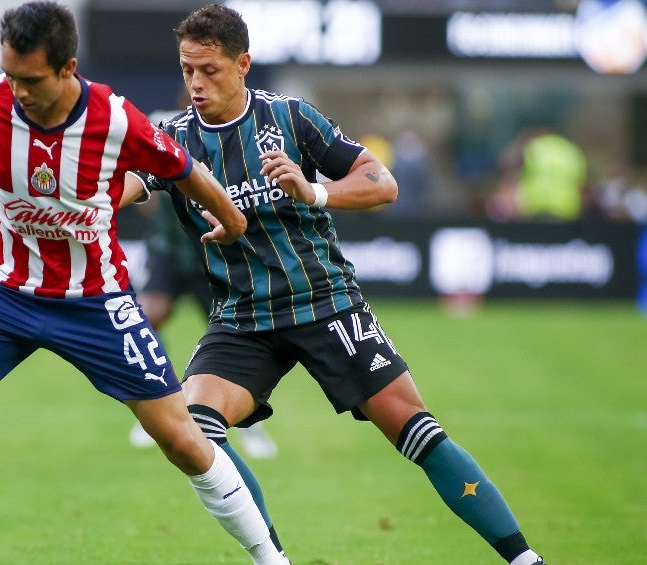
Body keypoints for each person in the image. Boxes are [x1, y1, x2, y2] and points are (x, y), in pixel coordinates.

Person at [0, 3, 287, 564]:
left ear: (68, 68)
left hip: (96, 302)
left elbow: (183, 169)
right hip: (9, 293)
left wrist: (232, 220)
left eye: (31, 79)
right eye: (10, 74)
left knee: (184, 442)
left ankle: (270, 559)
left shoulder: (113, 117)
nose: (17, 90)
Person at [123, 5, 546, 564]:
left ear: (243, 64)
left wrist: (315, 191)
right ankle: (272, 559)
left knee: (417, 432)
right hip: (243, 318)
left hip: (324, 302)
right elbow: (124, 186)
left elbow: (381, 182)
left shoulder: (292, 118)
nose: (196, 84)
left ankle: (525, 559)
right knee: (191, 431)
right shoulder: (172, 139)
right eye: (187, 71)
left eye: (210, 70)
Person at [120, 187, 278, 459]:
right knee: (146, 318)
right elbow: (142, 186)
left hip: (212, 248)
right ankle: (155, 405)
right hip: (167, 246)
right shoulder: (163, 158)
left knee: (236, 329)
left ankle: (250, 425)